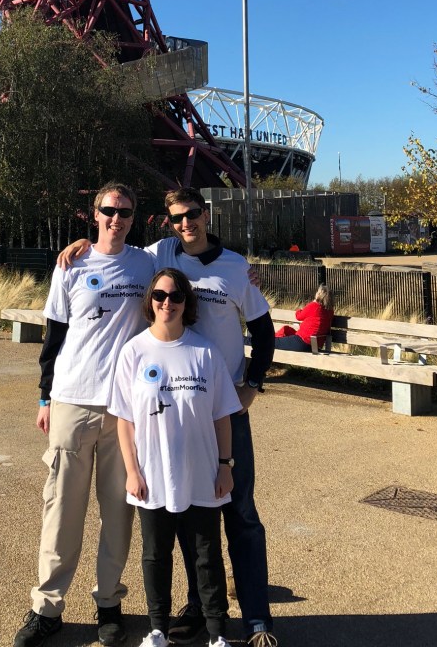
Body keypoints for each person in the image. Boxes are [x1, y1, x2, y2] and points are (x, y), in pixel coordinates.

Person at [59, 187, 278, 647]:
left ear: (206, 214)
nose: (186, 224)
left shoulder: (237, 268)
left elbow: (262, 328)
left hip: (221, 407)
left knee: (237, 511)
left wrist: (252, 385)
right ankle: (198, 609)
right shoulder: (162, 253)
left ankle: (257, 620)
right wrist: (81, 246)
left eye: (193, 214)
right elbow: (114, 245)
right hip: (172, 410)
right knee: (186, 513)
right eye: (177, 217)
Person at [13, 182, 155, 647]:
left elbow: (189, 252)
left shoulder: (146, 262)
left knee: (118, 513)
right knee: (61, 510)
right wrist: (44, 398)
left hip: (125, 411)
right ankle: (47, 607)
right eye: (110, 210)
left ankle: (109, 602)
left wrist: (246, 276)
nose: (117, 218)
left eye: (126, 211)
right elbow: (54, 337)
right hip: (73, 400)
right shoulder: (70, 266)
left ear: (135, 217)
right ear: (94, 214)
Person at [110, 268, 239, 647]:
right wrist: (132, 471)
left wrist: (225, 466)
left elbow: (222, 416)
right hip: (151, 476)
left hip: (202, 473)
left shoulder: (204, 352)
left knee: (206, 556)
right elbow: (124, 420)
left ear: (187, 303)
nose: (168, 303)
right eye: (160, 296)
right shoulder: (134, 352)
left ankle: (217, 635)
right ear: (150, 301)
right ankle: (157, 630)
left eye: (176, 297)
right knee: (155, 555)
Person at [274, 284, 333, 352]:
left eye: (317, 292)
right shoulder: (330, 311)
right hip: (315, 347)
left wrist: (301, 309)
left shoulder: (314, 306)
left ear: (319, 294)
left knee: (272, 342)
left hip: (302, 342)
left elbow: (298, 316)